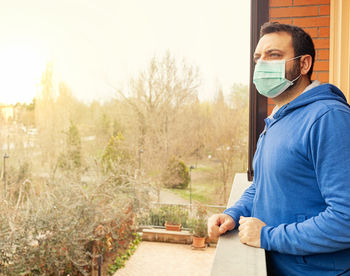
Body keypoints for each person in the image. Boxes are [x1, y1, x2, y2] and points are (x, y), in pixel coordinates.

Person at [208, 22, 350, 276]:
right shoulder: (278, 119)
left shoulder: (329, 118)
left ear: (304, 64)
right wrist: (234, 213)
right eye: (258, 57)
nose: (262, 64)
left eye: (273, 55)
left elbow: (345, 219)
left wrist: (268, 236)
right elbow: (262, 186)